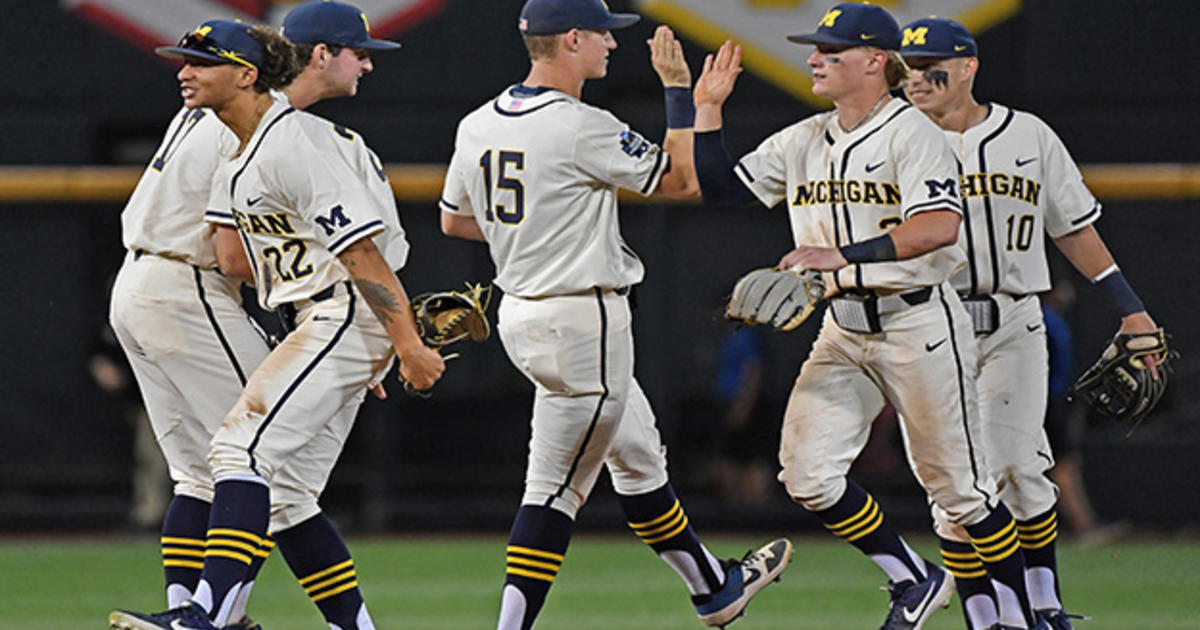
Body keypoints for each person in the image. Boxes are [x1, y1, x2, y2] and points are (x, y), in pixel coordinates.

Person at [692, 4, 1048, 629]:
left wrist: (841, 255)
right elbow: (721, 192)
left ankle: (1022, 619)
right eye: (817, 50)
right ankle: (914, 577)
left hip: (918, 325)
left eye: (830, 52)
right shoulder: (803, 137)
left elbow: (939, 227)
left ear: (876, 61)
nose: (814, 59)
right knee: (805, 474)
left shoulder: (914, 134)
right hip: (842, 330)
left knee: (962, 496)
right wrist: (708, 109)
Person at [439, 1, 792, 628]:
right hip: (584, 323)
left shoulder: (477, 122)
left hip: (522, 316)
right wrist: (680, 92)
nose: (611, 43)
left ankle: (713, 587)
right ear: (571, 39)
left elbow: (453, 220)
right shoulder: (581, 124)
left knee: (637, 458)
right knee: (554, 489)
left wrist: (538, 233)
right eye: (602, 33)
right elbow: (682, 182)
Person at [108, 17, 443, 630]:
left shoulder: (291, 139)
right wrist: (343, 353)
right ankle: (217, 616)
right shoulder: (246, 145)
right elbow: (239, 259)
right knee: (262, 476)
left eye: (199, 63)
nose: (184, 73)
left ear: (247, 72)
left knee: (232, 464)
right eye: (357, 53)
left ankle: (202, 614)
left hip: (327, 306)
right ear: (318, 55)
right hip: (256, 301)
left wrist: (394, 343)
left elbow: (359, 251)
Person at [898, 17, 1162, 630]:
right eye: (907, 66)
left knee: (1017, 465)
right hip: (929, 324)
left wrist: (1130, 307)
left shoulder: (1028, 134)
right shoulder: (892, 142)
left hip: (1015, 317)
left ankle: (1042, 603)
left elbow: (1072, 225)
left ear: (968, 67)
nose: (917, 77)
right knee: (957, 488)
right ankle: (987, 616)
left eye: (931, 64)